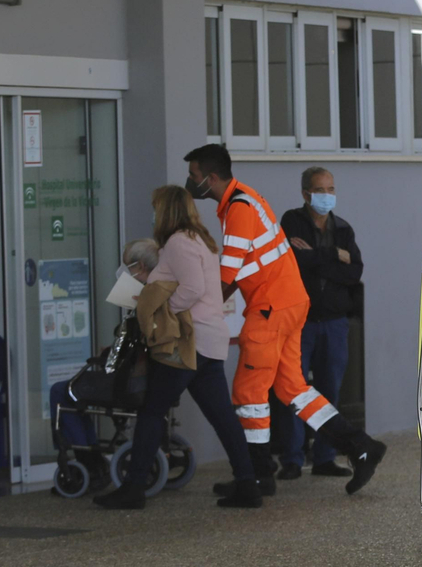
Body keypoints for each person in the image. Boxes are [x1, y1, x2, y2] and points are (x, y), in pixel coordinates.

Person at [183, 143, 386, 496]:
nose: (191, 182)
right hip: (290, 305)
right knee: (293, 388)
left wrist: (201, 311)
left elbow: (228, 274)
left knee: (249, 392)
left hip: (270, 309)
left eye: (194, 176)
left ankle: (258, 476)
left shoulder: (239, 208)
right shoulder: (246, 200)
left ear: (211, 178)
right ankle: (360, 446)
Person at [93, 195, 263, 510]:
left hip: (186, 344)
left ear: (167, 212)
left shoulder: (177, 243)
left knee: (152, 412)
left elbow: (193, 288)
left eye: (156, 210)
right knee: (222, 418)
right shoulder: (200, 240)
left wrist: (163, 311)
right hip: (207, 343)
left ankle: (134, 488)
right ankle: (248, 483)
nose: (153, 216)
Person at [278, 166, 363, 480]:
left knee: (329, 391)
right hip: (299, 322)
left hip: (334, 322)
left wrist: (317, 258)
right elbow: (293, 262)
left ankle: (325, 457)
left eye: (330, 189)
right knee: (294, 390)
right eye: (320, 189)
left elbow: (354, 272)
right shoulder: (291, 221)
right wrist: (331, 256)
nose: (327, 195)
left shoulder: (343, 229)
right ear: (305, 194)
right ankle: (291, 458)